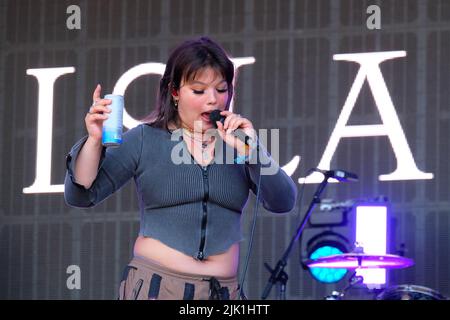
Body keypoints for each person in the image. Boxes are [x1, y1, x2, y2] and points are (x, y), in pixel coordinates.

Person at [64, 36, 297, 300]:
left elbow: (283, 201)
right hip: (157, 287)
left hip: (223, 292)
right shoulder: (144, 138)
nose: (213, 100)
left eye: (221, 89)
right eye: (198, 91)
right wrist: (95, 140)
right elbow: (81, 193)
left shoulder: (237, 145)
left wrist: (253, 151)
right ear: (175, 92)